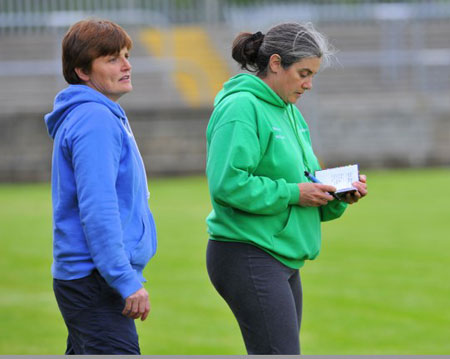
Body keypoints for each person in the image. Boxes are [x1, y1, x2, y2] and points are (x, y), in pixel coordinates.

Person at [205, 22, 368, 355]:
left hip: (283, 254)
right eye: (303, 73)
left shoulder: (290, 111)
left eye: (313, 75)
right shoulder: (241, 107)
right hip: (247, 252)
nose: (308, 84)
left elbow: (306, 182)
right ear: (276, 63)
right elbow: (228, 184)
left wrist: (337, 195)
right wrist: (295, 193)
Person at [44, 19, 157, 355]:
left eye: (125, 55)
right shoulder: (95, 118)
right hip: (95, 280)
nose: (126, 65)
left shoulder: (99, 114)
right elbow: (98, 208)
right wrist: (124, 279)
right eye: (111, 58)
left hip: (89, 278)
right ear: (82, 71)